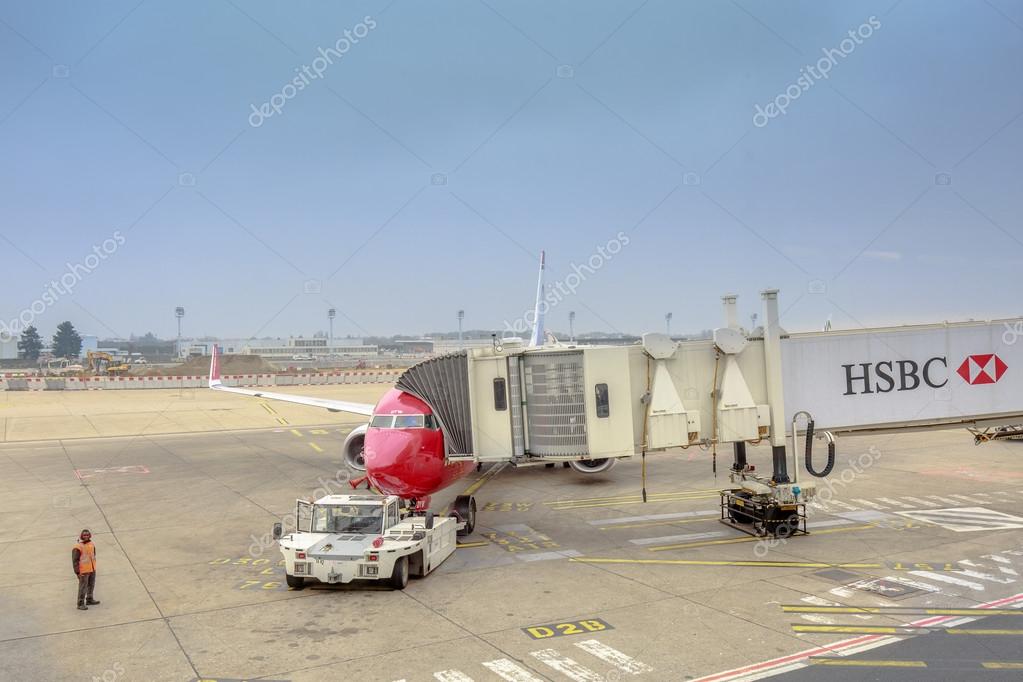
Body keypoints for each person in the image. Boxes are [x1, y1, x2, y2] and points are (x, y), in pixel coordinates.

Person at [72, 529, 100, 610]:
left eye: (87, 535)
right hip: (83, 571)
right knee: (83, 587)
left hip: (92, 568)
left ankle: (89, 599)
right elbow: (75, 561)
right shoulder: (78, 547)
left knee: (91, 585)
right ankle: (80, 603)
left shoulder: (91, 544)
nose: (86, 536)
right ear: (81, 536)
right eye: (84, 535)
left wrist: (93, 566)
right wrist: (77, 572)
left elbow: (94, 554)